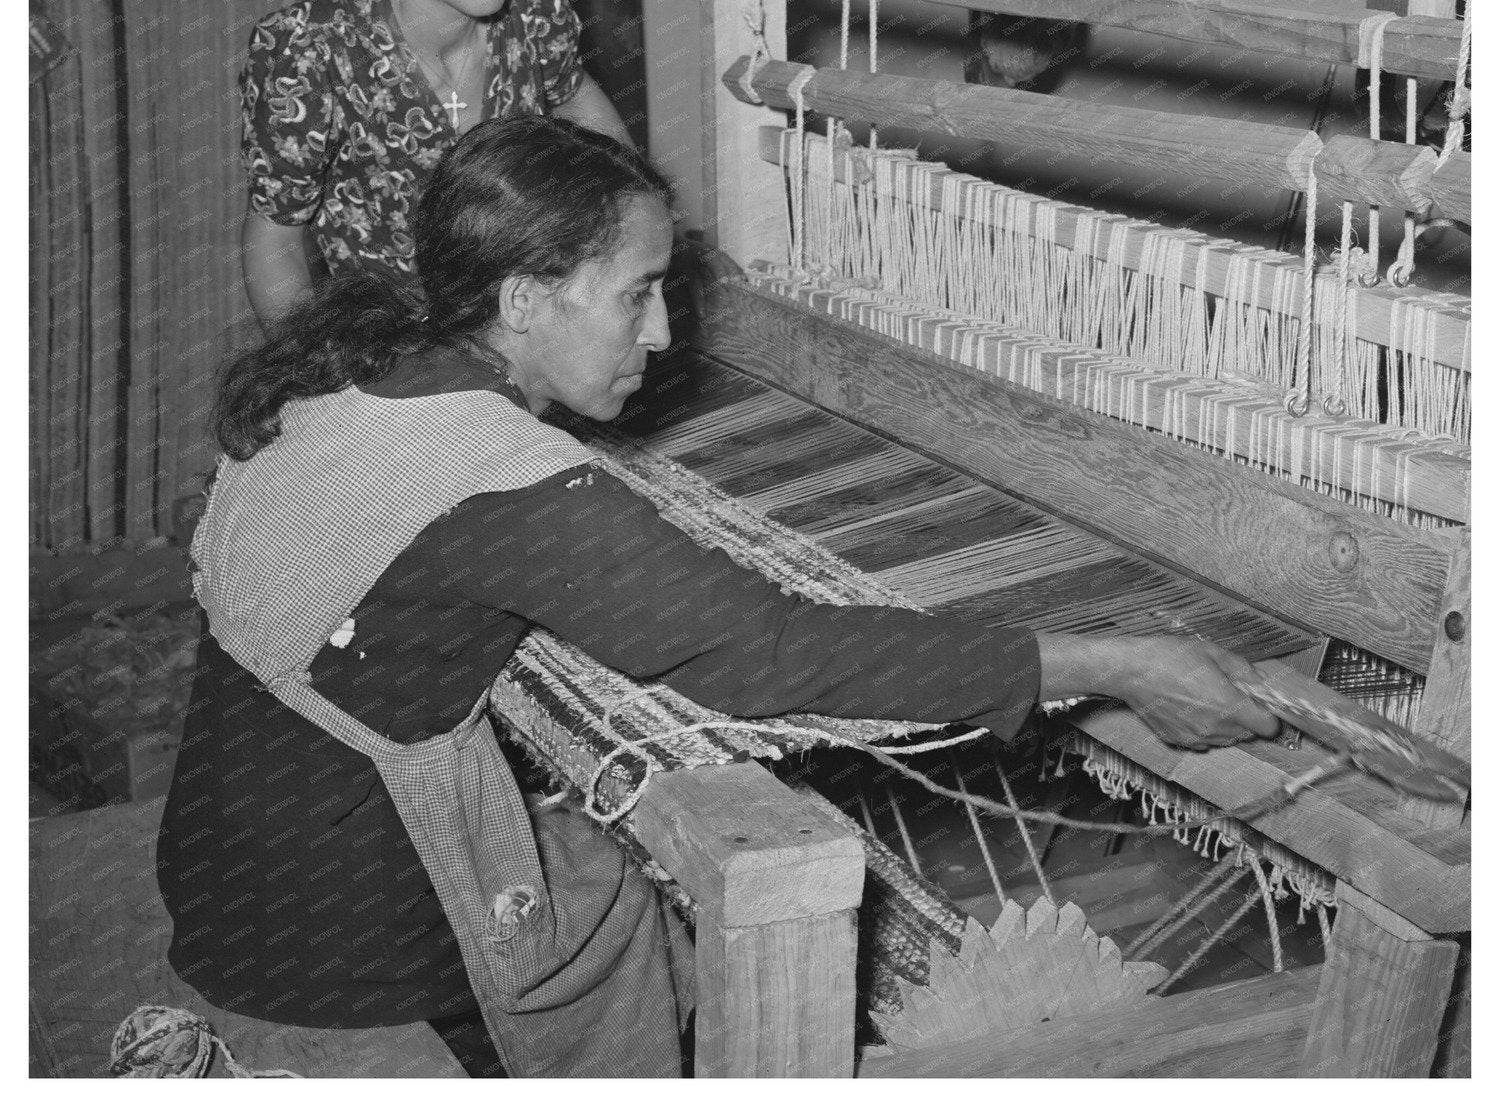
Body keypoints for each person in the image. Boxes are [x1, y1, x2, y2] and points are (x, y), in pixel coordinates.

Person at [160, 116, 1277, 1079]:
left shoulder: (364, 370)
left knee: (604, 867)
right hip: (331, 936)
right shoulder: (513, 484)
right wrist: (1110, 658)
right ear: (523, 297)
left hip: (231, 868)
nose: (664, 332)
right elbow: (772, 654)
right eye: (637, 293)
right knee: (622, 914)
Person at [239, 0, 628, 328]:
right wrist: (318, 384)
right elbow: (277, 237)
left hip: (534, 331)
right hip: (391, 356)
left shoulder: (535, 12)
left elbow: (572, 92)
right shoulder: (310, 49)